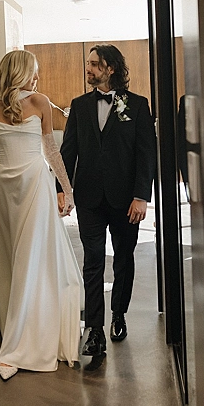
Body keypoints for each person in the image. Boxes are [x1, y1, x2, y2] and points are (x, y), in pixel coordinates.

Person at [0, 49, 83, 380]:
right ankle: (15, 316)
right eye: (33, 71)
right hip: (4, 188)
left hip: (36, 184)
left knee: (30, 254)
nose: (37, 78)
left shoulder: (40, 102)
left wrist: (67, 189)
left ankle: (24, 335)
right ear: (19, 72)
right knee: (11, 254)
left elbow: (51, 149)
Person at [58, 44, 156, 357]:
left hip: (126, 198)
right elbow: (68, 151)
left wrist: (141, 196)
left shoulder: (137, 105)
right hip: (89, 198)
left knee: (124, 258)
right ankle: (94, 330)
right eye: (88, 64)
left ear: (110, 68)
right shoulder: (79, 105)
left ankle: (119, 315)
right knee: (93, 261)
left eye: (94, 65)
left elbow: (145, 154)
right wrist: (62, 188)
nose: (88, 70)